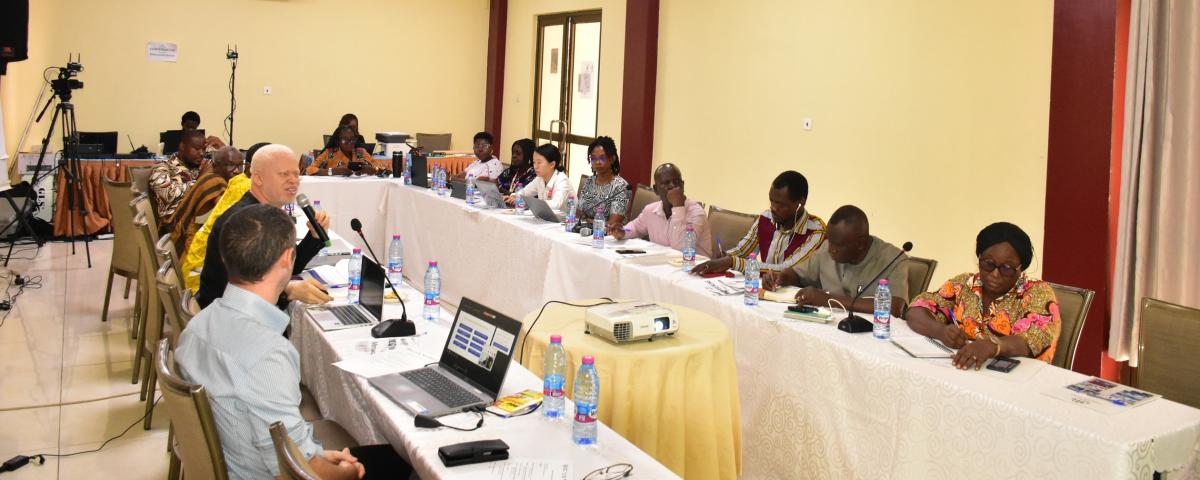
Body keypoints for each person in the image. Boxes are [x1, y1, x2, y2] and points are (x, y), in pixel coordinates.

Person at [177, 204, 412, 480]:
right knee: (407, 463)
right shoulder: (267, 354)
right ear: (288, 259)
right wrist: (348, 471)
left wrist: (316, 454)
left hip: (238, 460)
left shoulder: (197, 326)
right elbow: (299, 470)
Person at [905, 222, 1061, 370]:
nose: (995, 274)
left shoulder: (1037, 292)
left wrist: (993, 346)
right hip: (965, 372)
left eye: (1006, 268)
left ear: (1021, 269)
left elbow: (1035, 337)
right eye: (988, 263)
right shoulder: (964, 283)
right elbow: (917, 309)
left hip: (1015, 382)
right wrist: (941, 331)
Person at [196, 144, 332, 309]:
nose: (293, 180)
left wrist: (314, 236)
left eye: (296, 174)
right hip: (228, 318)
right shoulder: (245, 222)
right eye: (284, 174)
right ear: (258, 178)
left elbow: (286, 266)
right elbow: (237, 292)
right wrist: (288, 291)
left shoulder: (266, 214)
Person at [765, 205, 908, 316]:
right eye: (830, 241)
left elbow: (896, 307)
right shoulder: (828, 247)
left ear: (861, 243)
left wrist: (829, 300)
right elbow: (799, 275)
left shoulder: (893, 259)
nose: (831, 249)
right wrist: (781, 277)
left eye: (838, 245)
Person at [691, 170, 826, 275]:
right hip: (764, 288)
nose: (773, 208)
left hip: (796, 297)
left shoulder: (816, 231)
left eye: (780, 204)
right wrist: (725, 256)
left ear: (800, 202)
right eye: (771, 200)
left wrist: (732, 262)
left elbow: (787, 270)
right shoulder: (767, 218)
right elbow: (742, 251)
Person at [181, 142, 265, 292]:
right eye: (281, 173)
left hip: (198, 260)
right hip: (202, 279)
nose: (236, 171)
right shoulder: (244, 187)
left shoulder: (237, 181)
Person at [610, 163, 712, 257]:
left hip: (692, 270)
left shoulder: (697, 214)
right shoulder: (651, 210)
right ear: (656, 189)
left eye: (677, 182)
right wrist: (623, 231)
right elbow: (635, 228)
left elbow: (680, 249)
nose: (672, 186)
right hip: (662, 267)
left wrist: (678, 207)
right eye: (666, 183)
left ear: (683, 185)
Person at [168, 146, 243, 255]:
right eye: (230, 165)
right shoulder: (216, 182)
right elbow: (229, 217)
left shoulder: (210, 177)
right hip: (191, 250)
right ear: (215, 166)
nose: (237, 171)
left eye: (240, 165)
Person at [149, 129, 206, 231]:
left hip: (202, 220)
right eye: (197, 149)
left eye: (204, 149)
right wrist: (201, 181)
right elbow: (168, 194)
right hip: (176, 228)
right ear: (182, 147)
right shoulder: (163, 167)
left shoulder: (203, 168)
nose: (202, 153)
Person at [576, 136, 630, 231]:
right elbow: (578, 214)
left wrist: (588, 221)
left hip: (610, 238)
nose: (597, 162)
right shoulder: (589, 182)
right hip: (587, 232)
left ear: (612, 159)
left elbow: (612, 224)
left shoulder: (620, 187)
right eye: (593, 158)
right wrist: (589, 222)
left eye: (602, 158)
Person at [504, 143, 573, 214]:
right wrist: (514, 196)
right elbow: (525, 192)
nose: (535, 166)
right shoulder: (540, 178)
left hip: (566, 221)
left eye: (539, 162)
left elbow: (556, 204)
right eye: (534, 162)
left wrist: (531, 203)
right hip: (546, 217)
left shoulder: (562, 180)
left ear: (552, 164)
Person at [307, 125, 377, 176]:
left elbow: (379, 167)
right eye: (345, 139)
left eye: (352, 139)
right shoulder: (329, 153)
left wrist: (372, 170)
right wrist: (334, 172)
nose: (350, 142)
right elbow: (310, 170)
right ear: (338, 141)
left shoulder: (361, 152)